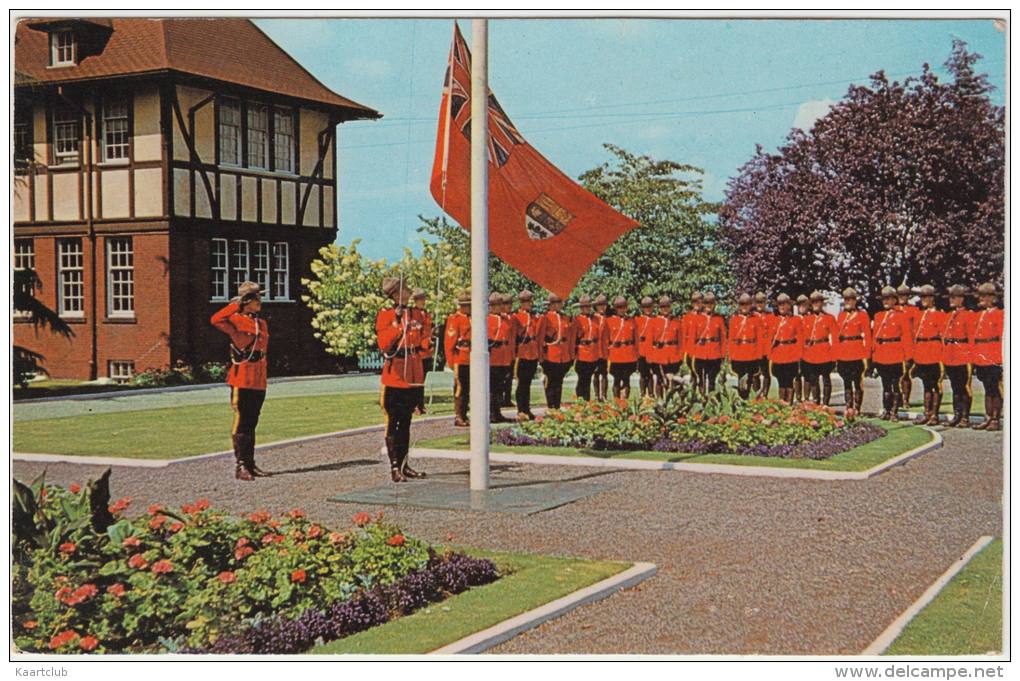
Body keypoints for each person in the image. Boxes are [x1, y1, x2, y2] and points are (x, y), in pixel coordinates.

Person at [211, 281, 271, 481]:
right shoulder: (235, 319)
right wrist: (237, 305)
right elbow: (216, 319)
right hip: (242, 377)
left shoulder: (261, 323)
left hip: (258, 377)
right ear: (248, 301)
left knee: (252, 421)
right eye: (256, 298)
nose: (260, 301)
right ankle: (241, 465)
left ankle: (251, 463)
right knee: (242, 422)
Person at [375, 277, 427, 483]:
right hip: (394, 375)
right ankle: (394, 467)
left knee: (406, 422)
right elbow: (384, 344)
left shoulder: (415, 313)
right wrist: (397, 325)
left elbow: (421, 337)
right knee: (393, 423)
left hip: (411, 374)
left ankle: (405, 464)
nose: (408, 292)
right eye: (404, 290)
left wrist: (426, 343)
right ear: (395, 294)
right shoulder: (386, 315)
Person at [870, 286, 912, 421]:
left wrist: (908, 356)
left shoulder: (902, 316)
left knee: (895, 385)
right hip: (882, 353)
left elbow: (906, 336)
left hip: (895, 353)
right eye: (884, 299)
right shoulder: (878, 316)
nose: (886, 301)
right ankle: (886, 410)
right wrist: (874, 355)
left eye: (888, 299)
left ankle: (894, 411)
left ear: (895, 300)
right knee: (885, 385)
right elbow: (874, 337)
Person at [910, 285, 946, 425]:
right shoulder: (919, 314)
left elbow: (942, 336)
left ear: (932, 298)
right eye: (922, 297)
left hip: (934, 352)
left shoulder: (940, 315)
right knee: (926, 385)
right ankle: (927, 413)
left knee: (935, 385)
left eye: (926, 297)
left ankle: (935, 415)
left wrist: (942, 356)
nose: (923, 299)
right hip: (922, 352)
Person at [941, 284, 975, 428]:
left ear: (962, 299)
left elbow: (972, 337)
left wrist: (972, 357)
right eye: (950, 297)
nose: (951, 299)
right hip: (951, 355)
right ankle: (957, 415)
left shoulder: (969, 315)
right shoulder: (949, 316)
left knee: (964, 386)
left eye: (954, 297)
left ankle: (965, 417)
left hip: (963, 355)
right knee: (955, 387)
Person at [971, 282, 1003, 431]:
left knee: (994, 388)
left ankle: (996, 418)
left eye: (984, 296)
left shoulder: (1000, 314)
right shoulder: (979, 315)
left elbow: (1003, 337)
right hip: (981, 355)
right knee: (986, 387)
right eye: (980, 295)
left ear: (992, 297)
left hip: (993, 355)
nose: (981, 298)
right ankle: (988, 416)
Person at [834, 288, 871, 416]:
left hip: (857, 351)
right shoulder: (841, 316)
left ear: (855, 300)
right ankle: (848, 407)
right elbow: (836, 336)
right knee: (846, 382)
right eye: (846, 299)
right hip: (843, 352)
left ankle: (858, 407)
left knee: (857, 382)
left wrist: (867, 355)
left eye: (850, 299)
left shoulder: (862, 315)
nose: (848, 302)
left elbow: (867, 335)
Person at [537, 293, 576, 410]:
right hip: (550, 354)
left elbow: (569, 338)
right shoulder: (545, 318)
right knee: (551, 382)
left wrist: (570, 355)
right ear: (550, 305)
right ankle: (551, 406)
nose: (559, 305)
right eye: (556, 303)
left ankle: (557, 406)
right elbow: (540, 338)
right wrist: (540, 356)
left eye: (560, 302)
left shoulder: (565, 318)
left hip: (563, 355)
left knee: (559, 382)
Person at [801, 291, 837, 405]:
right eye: (814, 302)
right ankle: (816, 402)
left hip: (825, 351)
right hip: (811, 352)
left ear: (822, 303)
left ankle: (826, 403)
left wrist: (834, 354)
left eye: (819, 302)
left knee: (826, 379)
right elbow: (802, 338)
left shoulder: (829, 318)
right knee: (813, 379)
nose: (816, 304)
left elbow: (835, 337)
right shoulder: (806, 319)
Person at [727, 293, 765, 399]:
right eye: (742, 304)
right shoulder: (734, 320)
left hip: (752, 353)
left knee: (753, 378)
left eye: (747, 304)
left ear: (750, 305)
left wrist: (759, 356)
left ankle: (755, 401)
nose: (744, 307)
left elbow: (760, 339)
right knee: (741, 378)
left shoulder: (756, 320)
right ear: (739, 306)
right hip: (739, 354)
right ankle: (742, 399)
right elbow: (730, 340)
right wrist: (730, 356)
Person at [768, 293, 803, 404]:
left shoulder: (796, 320)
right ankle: (782, 404)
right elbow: (770, 338)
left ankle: (789, 404)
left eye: (784, 304)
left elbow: (800, 338)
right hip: (778, 353)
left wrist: (798, 355)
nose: (782, 307)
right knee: (780, 381)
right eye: (780, 304)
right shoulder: (774, 320)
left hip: (790, 353)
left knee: (789, 381)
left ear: (789, 305)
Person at [444, 292, 472, 427]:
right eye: (466, 305)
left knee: (468, 388)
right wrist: (451, 362)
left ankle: (465, 414)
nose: (468, 308)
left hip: (471, 357)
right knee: (460, 387)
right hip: (460, 357)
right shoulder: (455, 319)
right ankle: (458, 415)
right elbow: (449, 343)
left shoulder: (471, 318)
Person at [512, 290, 541, 421]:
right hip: (522, 353)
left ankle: (527, 408)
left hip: (532, 353)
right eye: (525, 301)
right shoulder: (516, 317)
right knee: (521, 383)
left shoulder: (534, 317)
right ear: (521, 303)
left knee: (528, 383)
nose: (528, 304)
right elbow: (513, 337)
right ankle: (520, 410)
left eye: (529, 301)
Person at [691, 292, 727, 394]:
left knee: (712, 379)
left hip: (714, 353)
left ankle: (711, 399)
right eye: (706, 303)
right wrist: (692, 353)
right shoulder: (697, 319)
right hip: (700, 352)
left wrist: (723, 354)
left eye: (711, 303)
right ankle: (702, 399)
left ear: (714, 304)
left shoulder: (719, 319)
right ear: (703, 304)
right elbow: (692, 338)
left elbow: (723, 338)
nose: (709, 305)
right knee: (701, 379)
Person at [487, 292, 514, 423]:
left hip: (504, 357)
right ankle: (492, 413)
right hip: (494, 357)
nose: (498, 307)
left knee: (500, 387)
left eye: (500, 305)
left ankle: (498, 412)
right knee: (492, 387)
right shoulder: (487, 319)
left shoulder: (506, 319)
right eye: (495, 305)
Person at [604, 296, 638, 399]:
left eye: (623, 307)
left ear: (627, 307)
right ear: (615, 308)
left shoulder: (632, 321)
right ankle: (616, 401)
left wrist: (637, 354)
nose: (622, 309)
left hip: (629, 354)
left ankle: (625, 402)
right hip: (616, 354)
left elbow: (636, 338)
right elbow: (606, 339)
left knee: (627, 379)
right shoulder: (609, 321)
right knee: (617, 379)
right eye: (619, 307)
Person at [649, 295, 682, 397]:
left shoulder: (677, 321)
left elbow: (680, 341)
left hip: (673, 355)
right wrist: (650, 356)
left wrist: (680, 356)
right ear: (659, 308)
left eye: (667, 306)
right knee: (659, 379)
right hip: (659, 354)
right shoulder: (654, 321)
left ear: (671, 307)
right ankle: (659, 400)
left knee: (672, 380)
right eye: (663, 307)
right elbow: (650, 341)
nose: (665, 309)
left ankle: (671, 402)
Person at [573, 295, 603, 401]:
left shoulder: (596, 319)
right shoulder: (577, 320)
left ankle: (587, 399)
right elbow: (574, 338)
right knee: (582, 379)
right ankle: (581, 400)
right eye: (585, 306)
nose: (587, 308)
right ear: (581, 308)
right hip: (582, 352)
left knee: (589, 378)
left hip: (593, 353)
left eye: (589, 306)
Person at [896, 283, 920, 411]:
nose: (901, 297)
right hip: (895, 346)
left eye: (904, 295)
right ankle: (897, 399)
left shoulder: (913, 310)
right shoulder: (893, 310)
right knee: (895, 374)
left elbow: (916, 329)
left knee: (905, 374)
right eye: (899, 295)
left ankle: (905, 399)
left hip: (908, 345)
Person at [411, 288, 433, 415]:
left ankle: (420, 404)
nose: (423, 301)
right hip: (418, 352)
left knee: (422, 380)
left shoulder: (426, 314)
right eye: (421, 299)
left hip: (426, 352)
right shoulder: (413, 314)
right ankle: (415, 405)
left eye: (423, 299)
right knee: (416, 381)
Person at [752, 292, 775, 397]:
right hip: (755, 349)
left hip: (766, 348)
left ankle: (765, 395)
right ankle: (756, 395)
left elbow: (773, 332)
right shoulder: (751, 316)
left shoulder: (770, 315)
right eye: (757, 302)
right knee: (755, 373)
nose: (759, 304)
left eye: (762, 302)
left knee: (766, 373)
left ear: (765, 302)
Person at [635, 296, 657, 398]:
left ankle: (652, 394)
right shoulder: (637, 320)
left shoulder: (656, 319)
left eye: (649, 306)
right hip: (642, 350)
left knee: (652, 373)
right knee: (643, 374)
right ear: (642, 308)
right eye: (645, 307)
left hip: (653, 350)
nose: (647, 309)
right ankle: (643, 394)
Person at [500, 293, 518, 409]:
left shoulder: (512, 318)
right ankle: (500, 399)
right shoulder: (501, 318)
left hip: (511, 351)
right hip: (501, 353)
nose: (510, 306)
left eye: (511, 304)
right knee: (501, 377)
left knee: (509, 376)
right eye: (507, 304)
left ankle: (507, 398)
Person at [681, 292, 705, 380]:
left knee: (702, 373)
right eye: (694, 302)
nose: (696, 304)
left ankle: (704, 393)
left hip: (703, 349)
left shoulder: (706, 317)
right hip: (690, 350)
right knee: (693, 373)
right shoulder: (687, 317)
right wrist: (683, 351)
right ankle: (693, 392)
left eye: (699, 301)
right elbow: (683, 335)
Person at [793, 294, 811, 403]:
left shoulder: (811, 318)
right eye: (800, 305)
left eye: (804, 305)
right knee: (797, 375)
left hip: (808, 349)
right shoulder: (794, 319)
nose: (802, 307)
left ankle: (807, 398)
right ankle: (798, 398)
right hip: (796, 350)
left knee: (808, 374)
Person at [593, 294, 610, 401]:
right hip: (595, 350)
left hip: (604, 350)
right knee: (595, 374)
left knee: (604, 374)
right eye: (600, 305)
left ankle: (604, 395)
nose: (602, 307)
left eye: (604, 305)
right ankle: (596, 395)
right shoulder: (593, 318)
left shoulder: (608, 318)